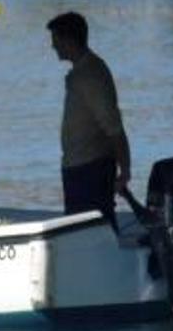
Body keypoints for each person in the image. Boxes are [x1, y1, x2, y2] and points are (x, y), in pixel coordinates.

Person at [47, 12, 131, 233]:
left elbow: (113, 127)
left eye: (55, 39)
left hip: (90, 170)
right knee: (83, 232)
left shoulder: (90, 75)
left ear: (69, 39)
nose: (52, 46)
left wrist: (125, 171)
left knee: (91, 232)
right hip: (79, 168)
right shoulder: (82, 72)